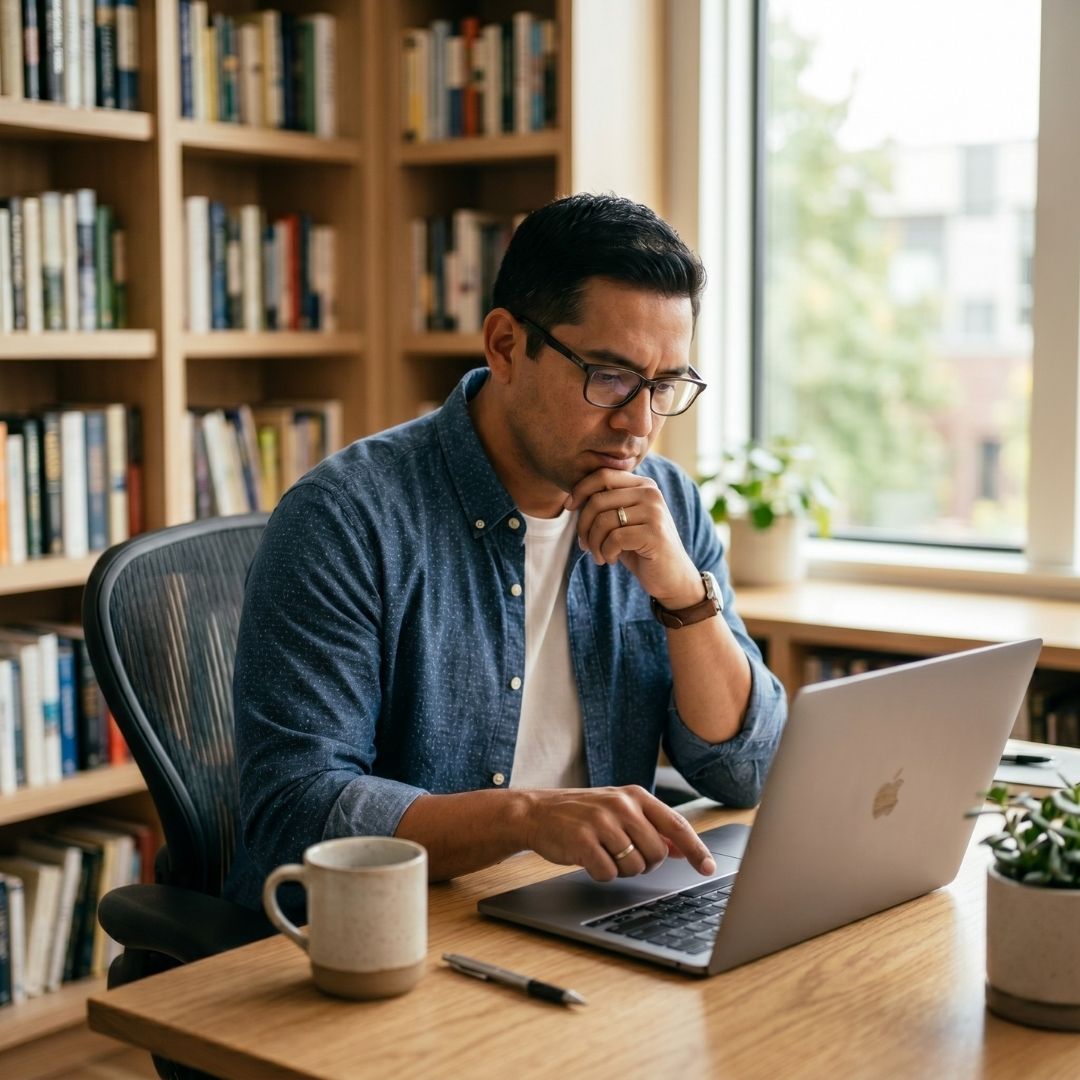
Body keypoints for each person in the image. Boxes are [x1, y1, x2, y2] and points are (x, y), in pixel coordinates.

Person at [223, 193, 786, 915]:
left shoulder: (666, 504)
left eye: (663, 385)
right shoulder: (347, 518)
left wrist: (683, 595)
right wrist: (528, 818)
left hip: (585, 909)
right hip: (395, 931)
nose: (638, 424)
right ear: (504, 345)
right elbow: (295, 812)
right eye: (609, 376)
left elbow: (747, 771)